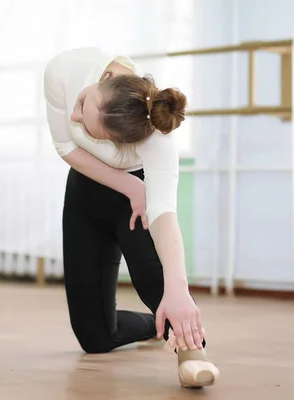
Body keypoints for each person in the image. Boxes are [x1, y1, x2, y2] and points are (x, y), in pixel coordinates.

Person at [43, 47, 219, 389]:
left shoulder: (159, 137)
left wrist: (179, 289)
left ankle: (192, 351)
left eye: (93, 129)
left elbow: (165, 214)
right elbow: (66, 146)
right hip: (87, 190)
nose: (76, 118)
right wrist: (128, 186)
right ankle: (154, 324)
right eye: (82, 106)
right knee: (94, 339)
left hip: (134, 203)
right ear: (106, 79)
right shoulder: (64, 69)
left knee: (155, 278)